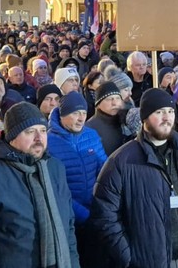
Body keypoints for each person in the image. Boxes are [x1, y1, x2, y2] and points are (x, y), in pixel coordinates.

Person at [91, 88, 178, 268]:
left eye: (170, 111)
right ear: (144, 118)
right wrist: (130, 257)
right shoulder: (122, 162)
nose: (166, 118)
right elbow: (104, 215)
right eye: (159, 112)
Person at [0, 102, 79, 267]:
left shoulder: (55, 169)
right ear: (12, 137)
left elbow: (68, 229)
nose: (38, 139)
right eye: (30, 132)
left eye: (43, 131)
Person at [47, 92, 107, 266]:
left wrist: (102, 208)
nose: (81, 118)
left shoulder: (91, 135)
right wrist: (84, 215)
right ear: (63, 114)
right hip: (67, 219)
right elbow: (55, 189)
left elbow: (104, 171)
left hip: (95, 214)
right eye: (75, 113)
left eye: (84, 113)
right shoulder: (49, 142)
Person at [85, 82, 131, 155]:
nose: (114, 103)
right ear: (98, 104)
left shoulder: (127, 122)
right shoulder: (89, 129)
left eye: (117, 98)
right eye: (109, 99)